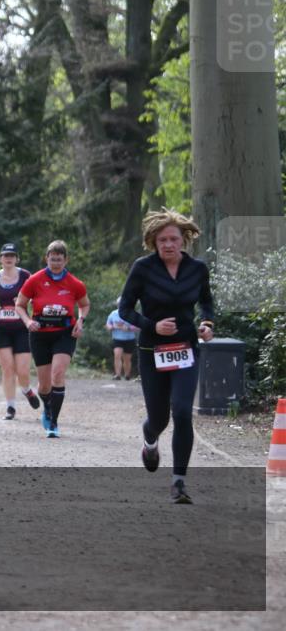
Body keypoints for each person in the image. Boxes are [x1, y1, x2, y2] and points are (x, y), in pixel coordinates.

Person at [119, 209, 214, 504]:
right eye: (162, 240)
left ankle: (178, 483)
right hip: (152, 351)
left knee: (183, 412)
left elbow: (207, 303)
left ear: (183, 240)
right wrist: (152, 325)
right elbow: (125, 309)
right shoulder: (143, 268)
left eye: (173, 239)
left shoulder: (197, 269)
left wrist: (207, 324)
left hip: (185, 349)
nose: (168, 245)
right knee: (158, 418)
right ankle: (150, 440)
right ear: (153, 242)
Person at [15, 240, 90, 438]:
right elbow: (20, 305)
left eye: (59, 259)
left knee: (58, 374)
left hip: (64, 334)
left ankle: (54, 422)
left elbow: (85, 305)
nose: (55, 263)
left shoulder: (75, 283)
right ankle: (47, 407)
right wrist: (27, 321)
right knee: (44, 385)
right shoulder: (35, 280)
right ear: (46, 258)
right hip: (39, 334)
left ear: (66, 260)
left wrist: (80, 321)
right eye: (52, 259)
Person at [0, 243, 40, 420]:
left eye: (12, 255)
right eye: (5, 255)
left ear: (17, 259)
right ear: (0, 258)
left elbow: (36, 300)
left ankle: (27, 390)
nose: (8, 258)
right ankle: (10, 407)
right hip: (2, 329)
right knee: (7, 368)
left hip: (22, 328)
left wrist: (27, 303)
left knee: (22, 371)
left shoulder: (26, 276)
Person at [106, 297, 139, 380]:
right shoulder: (113, 314)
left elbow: (138, 326)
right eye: (119, 304)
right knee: (117, 355)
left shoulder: (131, 313)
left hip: (129, 339)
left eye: (122, 304)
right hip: (117, 338)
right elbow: (108, 324)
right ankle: (118, 375)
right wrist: (112, 327)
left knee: (127, 359)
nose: (120, 305)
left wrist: (128, 328)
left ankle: (127, 375)